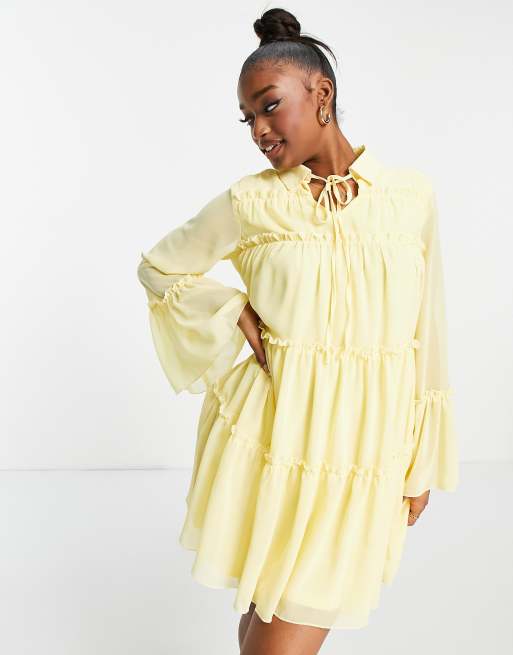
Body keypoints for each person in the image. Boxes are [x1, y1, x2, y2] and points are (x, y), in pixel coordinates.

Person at [137, 7, 459, 654]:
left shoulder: (408, 198)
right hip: (278, 442)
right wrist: (234, 309)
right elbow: (159, 267)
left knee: (274, 628)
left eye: (269, 105)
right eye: (247, 118)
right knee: (272, 631)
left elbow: (428, 331)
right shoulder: (252, 201)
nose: (258, 129)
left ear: (321, 94)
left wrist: (420, 457)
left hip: (365, 453)